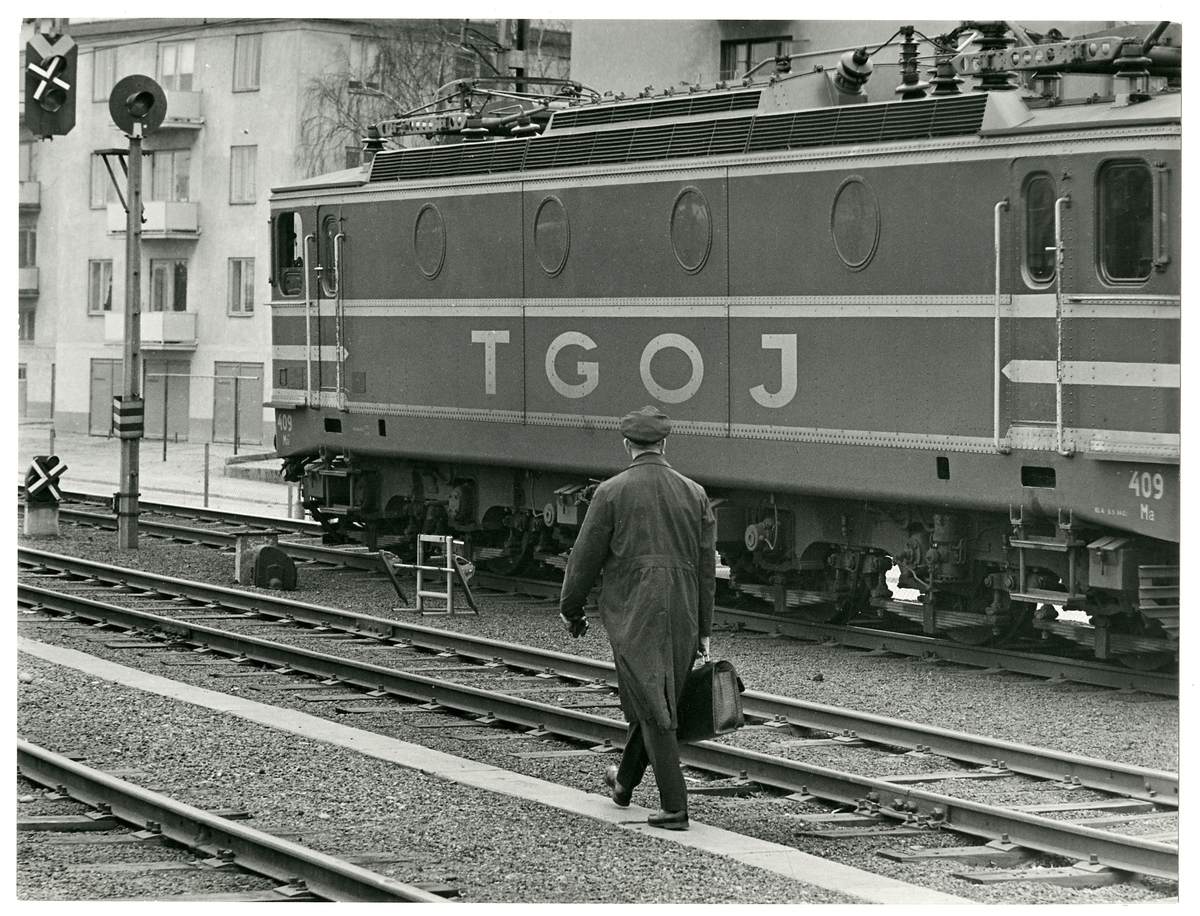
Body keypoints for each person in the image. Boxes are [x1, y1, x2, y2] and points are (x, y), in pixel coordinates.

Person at [558, 405, 716, 830]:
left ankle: (675, 807)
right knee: (653, 698)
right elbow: (707, 569)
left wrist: (571, 609)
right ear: (664, 443)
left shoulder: (610, 493)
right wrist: (704, 629)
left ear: (627, 444)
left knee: (653, 707)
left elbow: (584, 559)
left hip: (634, 611)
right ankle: (624, 783)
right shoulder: (696, 494)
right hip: (683, 610)